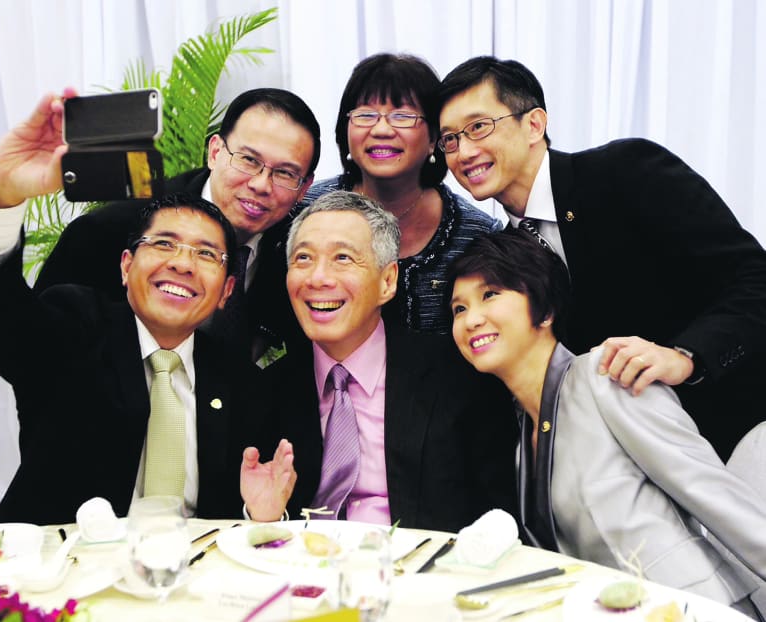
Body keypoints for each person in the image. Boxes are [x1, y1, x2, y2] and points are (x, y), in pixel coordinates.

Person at [0, 91, 294, 525]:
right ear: (126, 265)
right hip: (60, 560)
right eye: (164, 244)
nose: (183, 264)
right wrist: (2, 194)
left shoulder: (240, 383)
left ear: (227, 290)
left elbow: (234, 507)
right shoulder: (75, 332)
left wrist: (257, 513)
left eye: (206, 254)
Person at [438, 56, 766, 460]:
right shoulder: (502, 253)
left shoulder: (625, 171)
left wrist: (685, 357)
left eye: (478, 127)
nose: (464, 151)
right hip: (620, 464)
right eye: (449, 139)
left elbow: (754, 279)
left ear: (534, 124)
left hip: (732, 435)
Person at [448, 229, 766, 618]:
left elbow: (713, 493)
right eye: (458, 309)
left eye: (490, 295)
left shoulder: (606, 375)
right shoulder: (521, 445)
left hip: (694, 608)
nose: (471, 319)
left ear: (545, 311)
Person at [242, 190, 517, 532]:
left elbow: (498, 519)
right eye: (303, 258)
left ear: (388, 281)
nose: (318, 277)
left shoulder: (459, 378)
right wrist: (265, 519)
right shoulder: (266, 389)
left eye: (343, 258)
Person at [36, 87, 322, 364]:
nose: (261, 185)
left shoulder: (301, 251)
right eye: (248, 160)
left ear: (304, 187)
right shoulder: (110, 231)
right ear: (214, 152)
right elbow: (36, 344)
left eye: (285, 173)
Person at [301, 53, 502, 333]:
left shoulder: (477, 235)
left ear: (434, 138)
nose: (381, 129)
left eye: (403, 116)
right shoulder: (306, 211)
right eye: (366, 115)